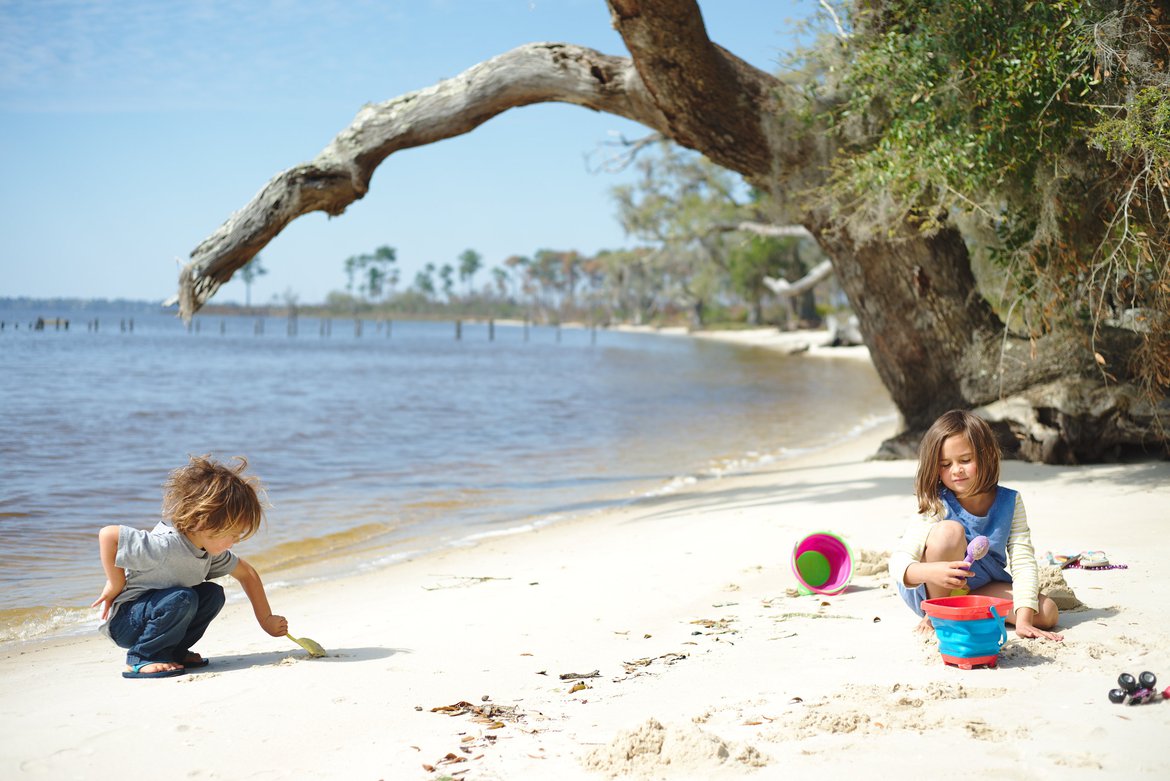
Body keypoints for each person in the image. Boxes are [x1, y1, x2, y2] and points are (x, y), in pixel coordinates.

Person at [93, 455, 290, 678]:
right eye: (231, 534)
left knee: (212, 594)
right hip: (126, 622)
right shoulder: (164, 546)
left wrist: (266, 620)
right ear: (202, 521)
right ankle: (142, 657)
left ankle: (173, 652)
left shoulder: (208, 552)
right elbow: (108, 535)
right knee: (183, 597)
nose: (233, 543)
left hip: (161, 614)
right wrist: (115, 582)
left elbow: (247, 574)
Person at [889, 409, 1063, 641]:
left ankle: (966, 605)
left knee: (1048, 612)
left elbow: (1022, 561)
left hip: (981, 584)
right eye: (945, 464)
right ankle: (937, 613)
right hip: (931, 588)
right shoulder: (937, 502)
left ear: (987, 456)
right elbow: (899, 562)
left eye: (965, 460)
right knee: (949, 532)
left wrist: (1023, 621)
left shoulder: (1010, 502)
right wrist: (932, 572)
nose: (956, 470)